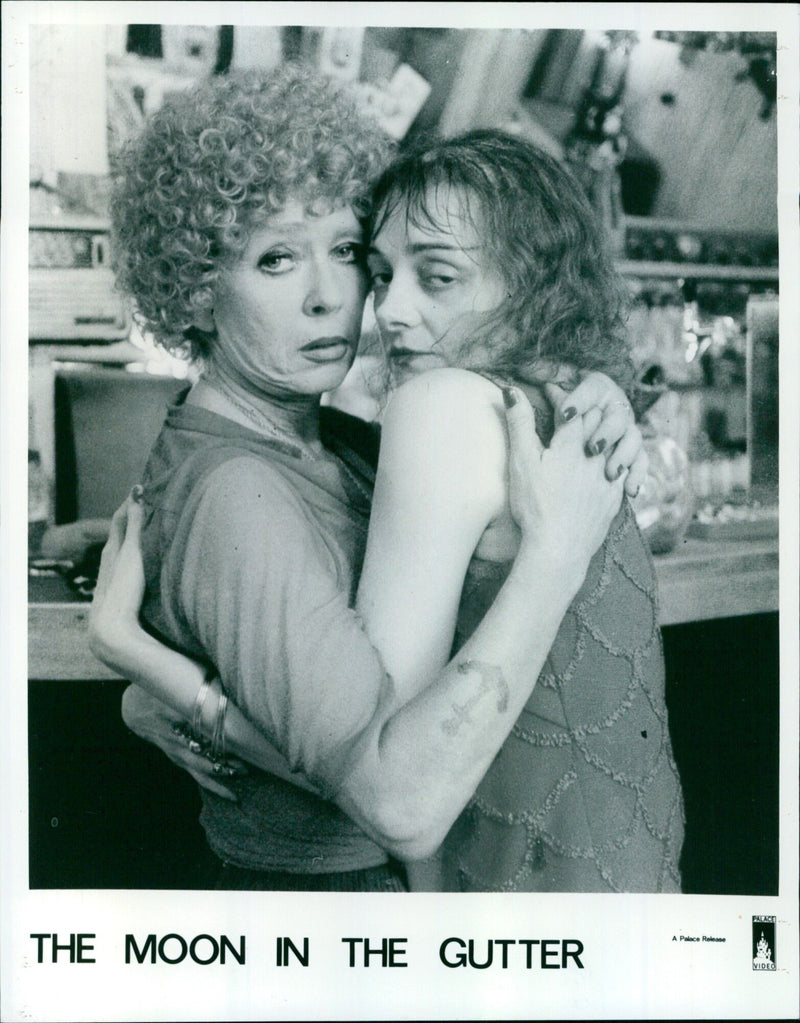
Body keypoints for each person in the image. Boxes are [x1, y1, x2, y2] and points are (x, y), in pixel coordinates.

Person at [90, 66, 679, 892]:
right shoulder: (238, 489)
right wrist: (169, 681)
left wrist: (164, 678)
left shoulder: (333, 436)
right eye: (277, 259)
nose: (338, 298)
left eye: (344, 252)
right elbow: (392, 795)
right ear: (193, 284)